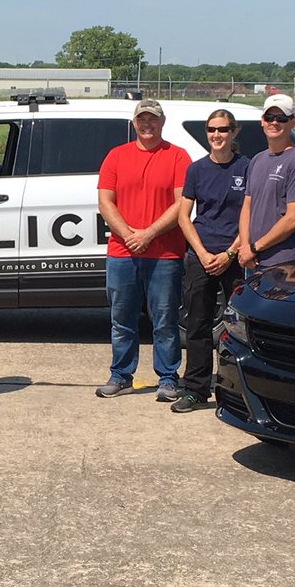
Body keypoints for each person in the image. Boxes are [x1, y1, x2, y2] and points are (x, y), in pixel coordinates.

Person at [95, 99, 192, 400]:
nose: (147, 124)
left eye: (153, 119)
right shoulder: (116, 156)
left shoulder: (178, 157)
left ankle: (167, 378)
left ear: (162, 122)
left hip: (164, 253)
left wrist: (148, 233)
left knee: (164, 320)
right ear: (134, 123)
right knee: (121, 319)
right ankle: (121, 375)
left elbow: (182, 203)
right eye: (142, 119)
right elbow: (105, 201)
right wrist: (129, 235)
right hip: (122, 253)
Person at [174, 108, 249, 413]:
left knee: (238, 328)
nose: (216, 135)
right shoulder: (196, 170)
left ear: (234, 132)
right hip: (200, 256)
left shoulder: (247, 167)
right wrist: (203, 254)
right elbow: (183, 215)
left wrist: (230, 253)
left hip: (234, 255)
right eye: (211, 130)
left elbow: (250, 215)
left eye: (223, 129)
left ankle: (238, 390)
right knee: (198, 325)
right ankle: (196, 389)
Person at [238, 93, 295, 271]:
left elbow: (293, 219)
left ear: (293, 122)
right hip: (254, 261)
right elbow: (247, 207)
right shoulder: (257, 160)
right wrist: (244, 247)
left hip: (285, 263)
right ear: (262, 121)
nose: (274, 122)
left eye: (282, 118)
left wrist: (255, 248)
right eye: (269, 117)